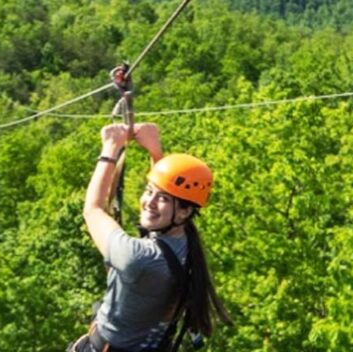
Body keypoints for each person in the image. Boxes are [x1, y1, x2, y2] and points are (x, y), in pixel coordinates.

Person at [67, 122, 231, 352]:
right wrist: (155, 152)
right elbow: (169, 204)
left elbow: (92, 210)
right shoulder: (187, 246)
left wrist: (110, 148)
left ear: (185, 211)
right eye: (149, 190)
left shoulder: (139, 258)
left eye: (161, 198)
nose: (149, 202)